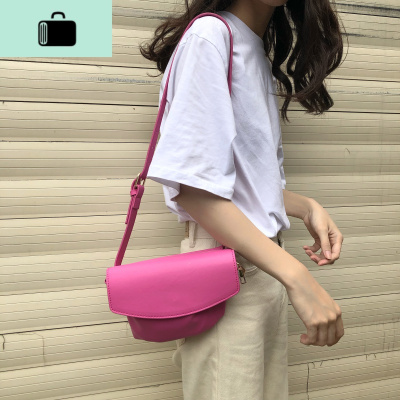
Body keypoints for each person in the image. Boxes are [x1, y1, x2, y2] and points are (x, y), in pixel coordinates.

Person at [141, 0, 346, 399]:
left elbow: (240, 185)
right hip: (228, 275)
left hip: (260, 271)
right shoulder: (211, 37)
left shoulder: (249, 46)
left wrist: (305, 207)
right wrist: (297, 276)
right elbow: (194, 190)